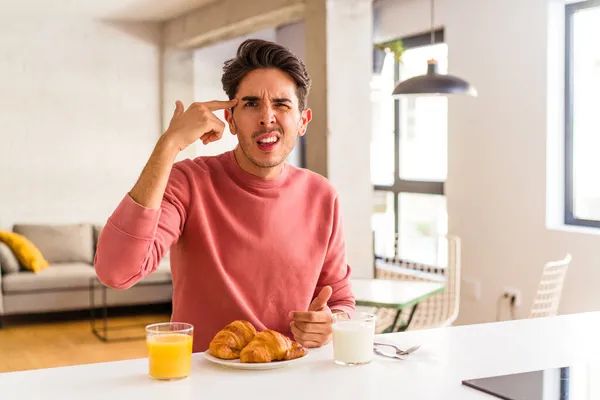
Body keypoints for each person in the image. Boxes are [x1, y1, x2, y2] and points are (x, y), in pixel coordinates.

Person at [94, 39, 355, 353]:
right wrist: (170, 144)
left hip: (292, 376)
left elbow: (340, 301)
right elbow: (116, 272)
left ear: (302, 121)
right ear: (230, 120)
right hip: (203, 382)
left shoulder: (323, 196)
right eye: (251, 104)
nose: (267, 117)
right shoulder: (189, 183)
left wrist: (331, 323)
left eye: (281, 105)